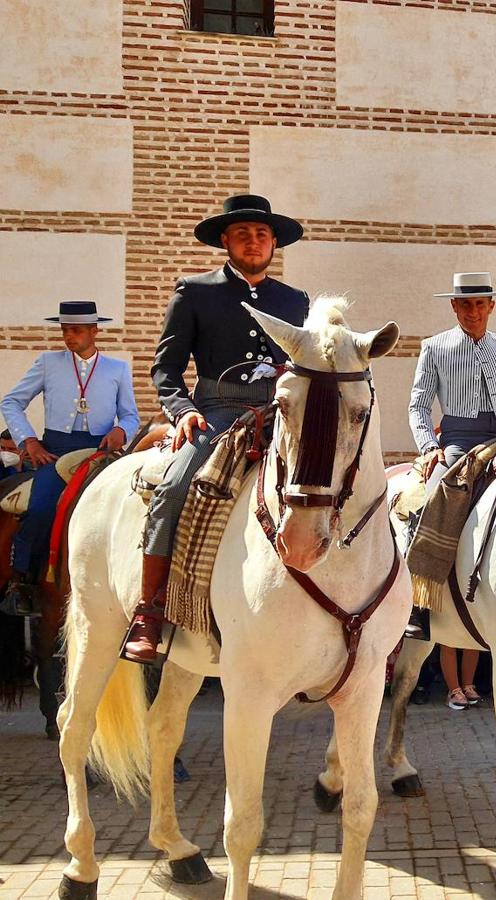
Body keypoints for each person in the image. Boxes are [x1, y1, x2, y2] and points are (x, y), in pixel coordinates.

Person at [124, 195, 309, 662]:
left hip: (279, 415)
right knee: (173, 487)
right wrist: (181, 411)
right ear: (226, 241)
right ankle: (150, 610)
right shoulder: (195, 292)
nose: (253, 242)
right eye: (243, 234)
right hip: (215, 413)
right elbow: (165, 368)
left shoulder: (295, 301)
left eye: (261, 234)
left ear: (273, 243)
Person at [405, 271, 496, 639]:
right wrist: (429, 448)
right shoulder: (434, 348)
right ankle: (417, 605)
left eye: (479, 304)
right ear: (454, 306)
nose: (472, 312)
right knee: (432, 497)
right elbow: (418, 406)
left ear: (491, 306)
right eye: (465, 304)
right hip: (457, 441)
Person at [0, 301, 138, 614]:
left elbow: (130, 416)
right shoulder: (49, 362)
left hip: (100, 453)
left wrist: (122, 432)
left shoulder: (117, 368)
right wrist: (29, 442)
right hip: (55, 451)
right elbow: (11, 402)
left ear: (94, 331)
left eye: (76, 330)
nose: (68, 337)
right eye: (64, 330)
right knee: (39, 507)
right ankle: (20, 582)